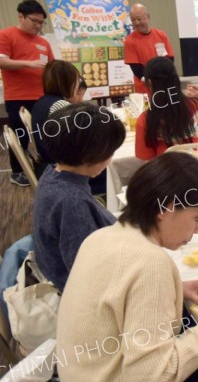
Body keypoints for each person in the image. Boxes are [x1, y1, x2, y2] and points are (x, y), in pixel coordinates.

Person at [56, 152, 198, 381]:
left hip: (80, 371)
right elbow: (155, 375)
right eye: (197, 218)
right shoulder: (150, 263)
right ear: (166, 209)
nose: (197, 230)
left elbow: (117, 291)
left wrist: (176, 287)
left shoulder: (101, 236)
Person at [32, 103, 126, 292]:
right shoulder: (72, 202)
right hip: (87, 294)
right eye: (111, 151)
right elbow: (88, 276)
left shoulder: (53, 173)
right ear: (94, 154)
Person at [0, 0, 54, 187]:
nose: (39, 26)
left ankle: (46, 166)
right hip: (18, 96)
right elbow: (2, 61)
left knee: (45, 134)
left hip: (41, 96)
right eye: (35, 21)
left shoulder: (43, 42)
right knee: (20, 135)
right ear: (21, 16)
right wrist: (29, 63)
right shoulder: (6, 35)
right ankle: (17, 171)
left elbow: (51, 66)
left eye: (41, 23)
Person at [135, 56, 198, 160]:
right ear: (176, 79)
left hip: (171, 174)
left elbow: (147, 161)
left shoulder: (146, 120)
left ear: (149, 83)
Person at [31, 60, 82, 175]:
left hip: (47, 163)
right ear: (68, 82)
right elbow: (73, 143)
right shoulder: (60, 105)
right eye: (76, 80)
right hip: (62, 170)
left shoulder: (41, 102)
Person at [124, 3, 174, 94]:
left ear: (148, 17)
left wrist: (164, 77)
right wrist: (151, 80)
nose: (136, 23)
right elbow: (136, 68)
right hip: (145, 87)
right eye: (133, 20)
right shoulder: (129, 40)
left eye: (139, 19)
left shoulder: (161, 35)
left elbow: (170, 59)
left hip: (165, 83)